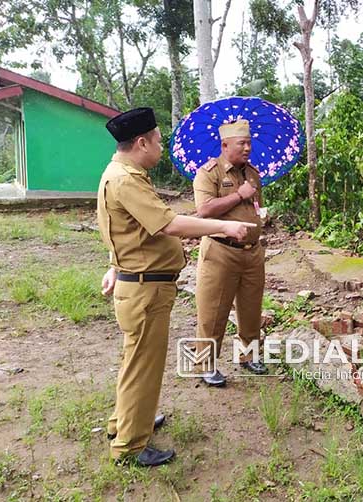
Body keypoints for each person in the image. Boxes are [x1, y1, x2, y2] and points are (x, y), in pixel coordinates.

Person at [97, 107, 255, 467]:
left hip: (138, 281)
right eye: (157, 141)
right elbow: (168, 224)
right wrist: (223, 228)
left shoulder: (124, 173)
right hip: (144, 289)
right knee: (143, 366)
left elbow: (125, 229)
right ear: (141, 142)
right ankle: (130, 446)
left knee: (136, 363)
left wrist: (114, 264)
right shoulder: (125, 179)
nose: (161, 148)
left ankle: (126, 422)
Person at [192, 119, 267, 387]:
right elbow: (204, 211)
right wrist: (239, 195)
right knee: (213, 310)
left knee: (251, 308)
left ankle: (247, 356)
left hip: (253, 253)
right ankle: (205, 363)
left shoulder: (253, 173)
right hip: (221, 252)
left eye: (249, 143)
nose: (248, 148)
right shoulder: (208, 173)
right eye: (241, 144)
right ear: (225, 145)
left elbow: (257, 205)